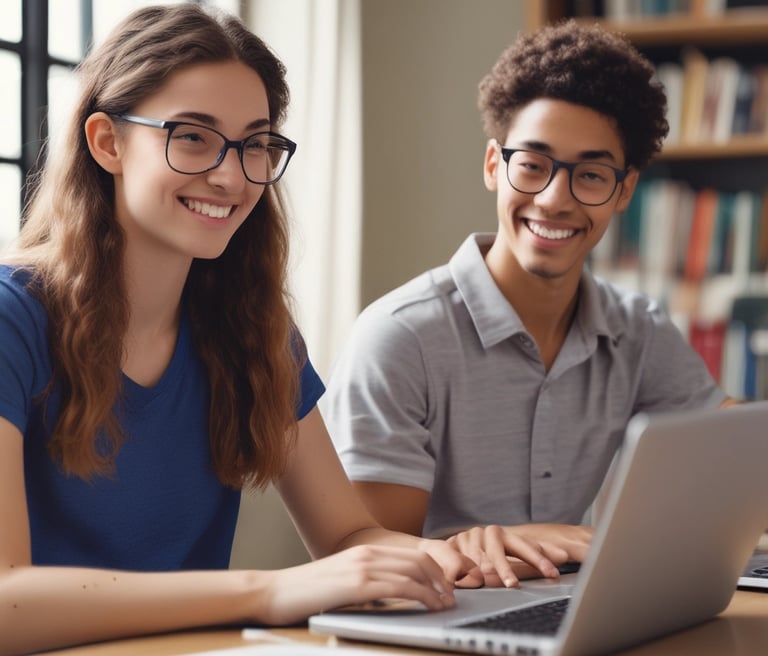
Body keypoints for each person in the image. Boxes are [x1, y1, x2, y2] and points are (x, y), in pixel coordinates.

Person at [0, 5, 524, 654]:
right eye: (193, 136)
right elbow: (5, 601)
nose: (230, 174)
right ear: (107, 142)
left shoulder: (252, 329)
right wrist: (269, 591)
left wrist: (462, 559)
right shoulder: (11, 318)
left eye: (255, 143)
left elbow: (346, 538)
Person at [322, 20, 736, 589]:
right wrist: (491, 543)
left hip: (564, 605)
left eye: (590, 175)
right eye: (533, 165)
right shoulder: (400, 337)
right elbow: (364, 562)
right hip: (434, 620)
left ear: (624, 192)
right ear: (495, 165)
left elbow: (734, 447)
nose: (554, 199)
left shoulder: (636, 331)